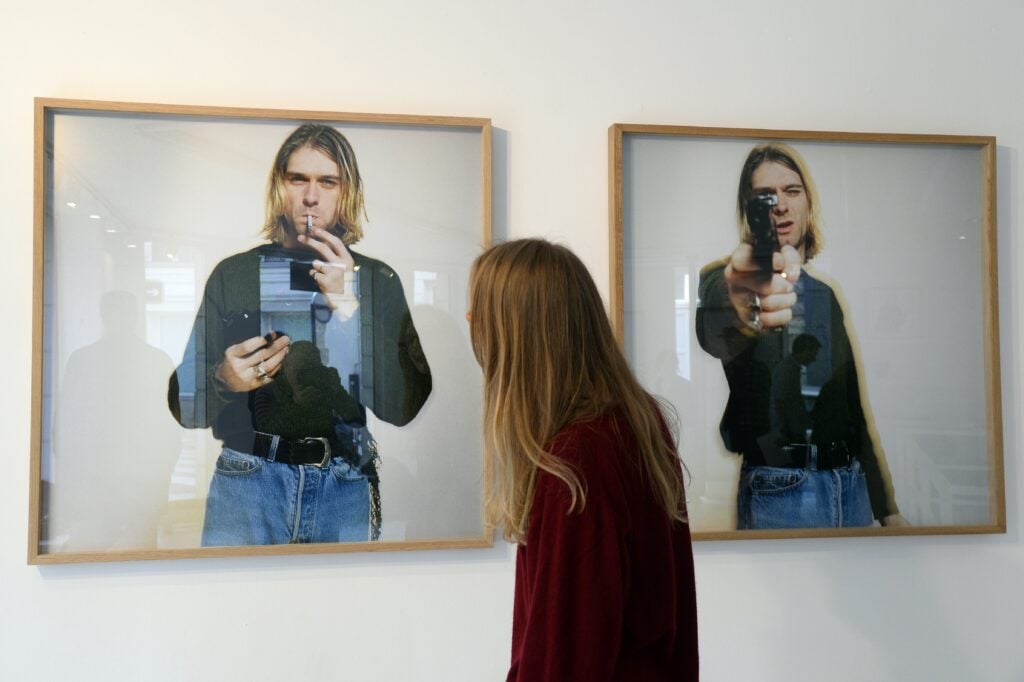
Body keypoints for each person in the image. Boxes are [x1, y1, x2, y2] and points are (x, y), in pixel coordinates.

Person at [168, 123, 432, 546]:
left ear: (347, 192)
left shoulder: (378, 280)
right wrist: (223, 380)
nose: (311, 196)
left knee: (344, 612)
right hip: (248, 480)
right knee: (230, 608)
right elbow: (185, 408)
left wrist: (348, 307)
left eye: (328, 181)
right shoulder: (232, 275)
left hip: (344, 481)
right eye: (299, 179)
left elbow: (404, 406)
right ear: (280, 186)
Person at [468, 239, 698, 681]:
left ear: (513, 336)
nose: (475, 334)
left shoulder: (574, 465)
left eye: (478, 319)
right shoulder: (635, 421)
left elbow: (564, 660)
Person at [695, 143, 907, 530]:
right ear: (749, 209)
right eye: (765, 196)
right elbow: (716, 326)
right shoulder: (725, 277)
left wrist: (886, 506)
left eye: (792, 191)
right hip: (783, 489)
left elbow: (852, 409)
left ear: (808, 201)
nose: (780, 204)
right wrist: (742, 302)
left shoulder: (824, 295)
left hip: (851, 485)